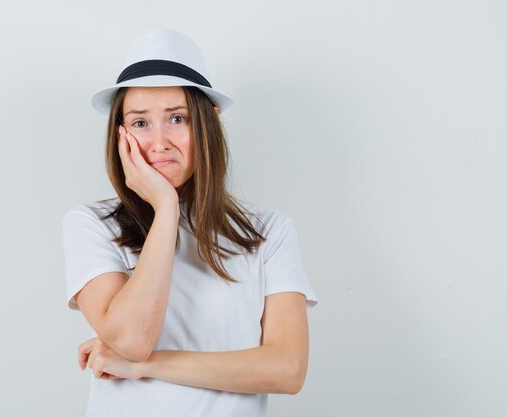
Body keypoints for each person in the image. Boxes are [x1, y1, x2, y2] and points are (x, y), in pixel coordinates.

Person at [61, 27, 319, 417]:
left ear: (208, 123)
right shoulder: (91, 225)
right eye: (140, 123)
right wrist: (165, 208)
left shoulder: (268, 232)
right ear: (120, 133)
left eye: (177, 118)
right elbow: (132, 339)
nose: (160, 142)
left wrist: (148, 365)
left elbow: (287, 370)